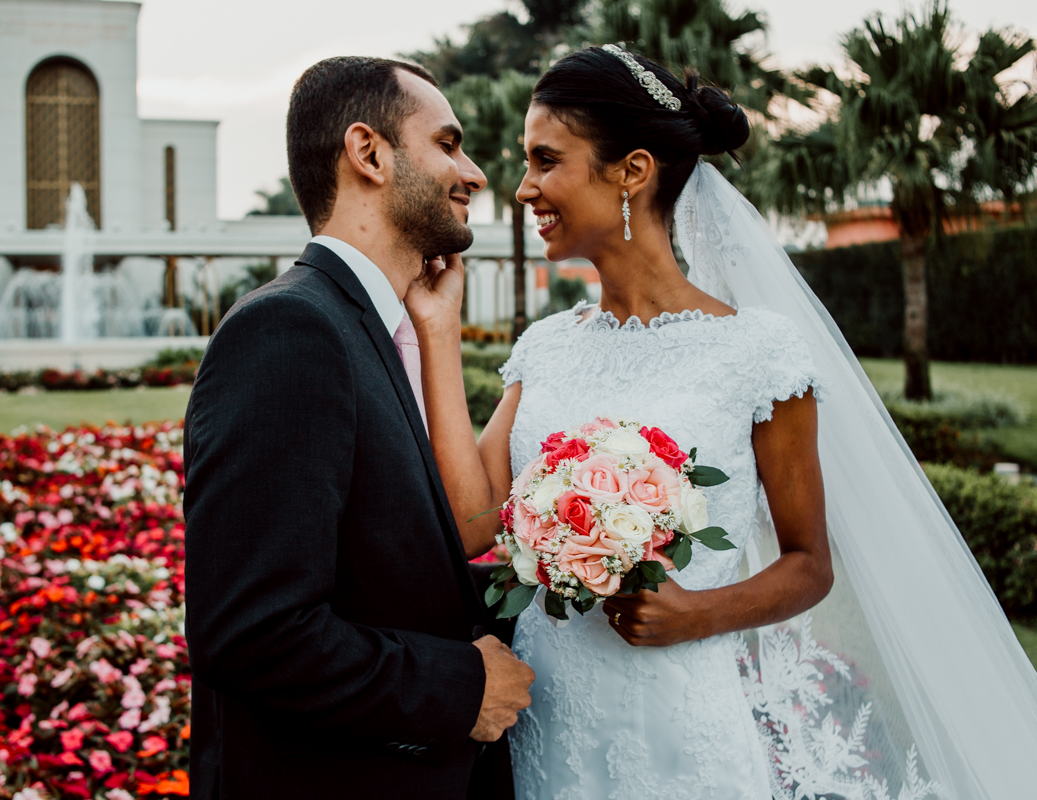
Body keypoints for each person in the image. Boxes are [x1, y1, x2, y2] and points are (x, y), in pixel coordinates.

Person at [406, 44, 1037, 799]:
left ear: (632, 171)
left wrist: (698, 612)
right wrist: (438, 333)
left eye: (546, 161)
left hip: (682, 730)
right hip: (553, 723)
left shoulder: (757, 353)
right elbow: (470, 524)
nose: (523, 188)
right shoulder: (544, 348)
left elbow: (810, 563)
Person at [183, 56, 533, 800]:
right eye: (448, 144)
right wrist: (460, 687)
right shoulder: (290, 330)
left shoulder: (375, 327)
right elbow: (252, 633)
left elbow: (389, 570)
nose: (473, 174)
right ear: (369, 153)